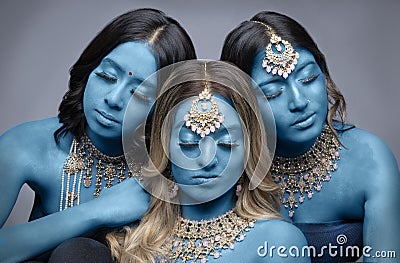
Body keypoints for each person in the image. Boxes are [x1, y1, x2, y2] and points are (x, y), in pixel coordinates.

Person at [0, 8, 196, 263]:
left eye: (140, 94)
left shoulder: (178, 167)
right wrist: (97, 211)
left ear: (166, 106)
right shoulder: (28, 144)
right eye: (106, 76)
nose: (113, 99)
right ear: (89, 70)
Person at [220, 11, 400, 263]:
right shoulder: (221, 166)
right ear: (243, 103)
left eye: (308, 78)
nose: (299, 101)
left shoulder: (369, 159)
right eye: (273, 93)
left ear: (324, 74)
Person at [106, 60, 310, 263]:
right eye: (189, 143)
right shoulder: (133, 243)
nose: (207, 160)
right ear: (164, 147)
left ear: (249, 150)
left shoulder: (278, 242)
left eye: (226, 144)